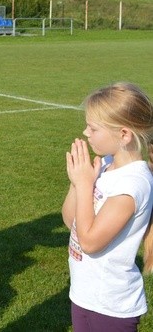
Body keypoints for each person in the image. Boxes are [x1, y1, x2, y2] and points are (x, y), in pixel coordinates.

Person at [62, 82, 153, 331]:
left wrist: (83, 185)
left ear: (124, 135)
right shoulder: (106, 165)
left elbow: (90, 242)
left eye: (93, 128)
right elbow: (71, 222)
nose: (86, 132)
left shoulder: (133, 185)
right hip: (84, 294)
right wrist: (77, 183)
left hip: (111, 307)